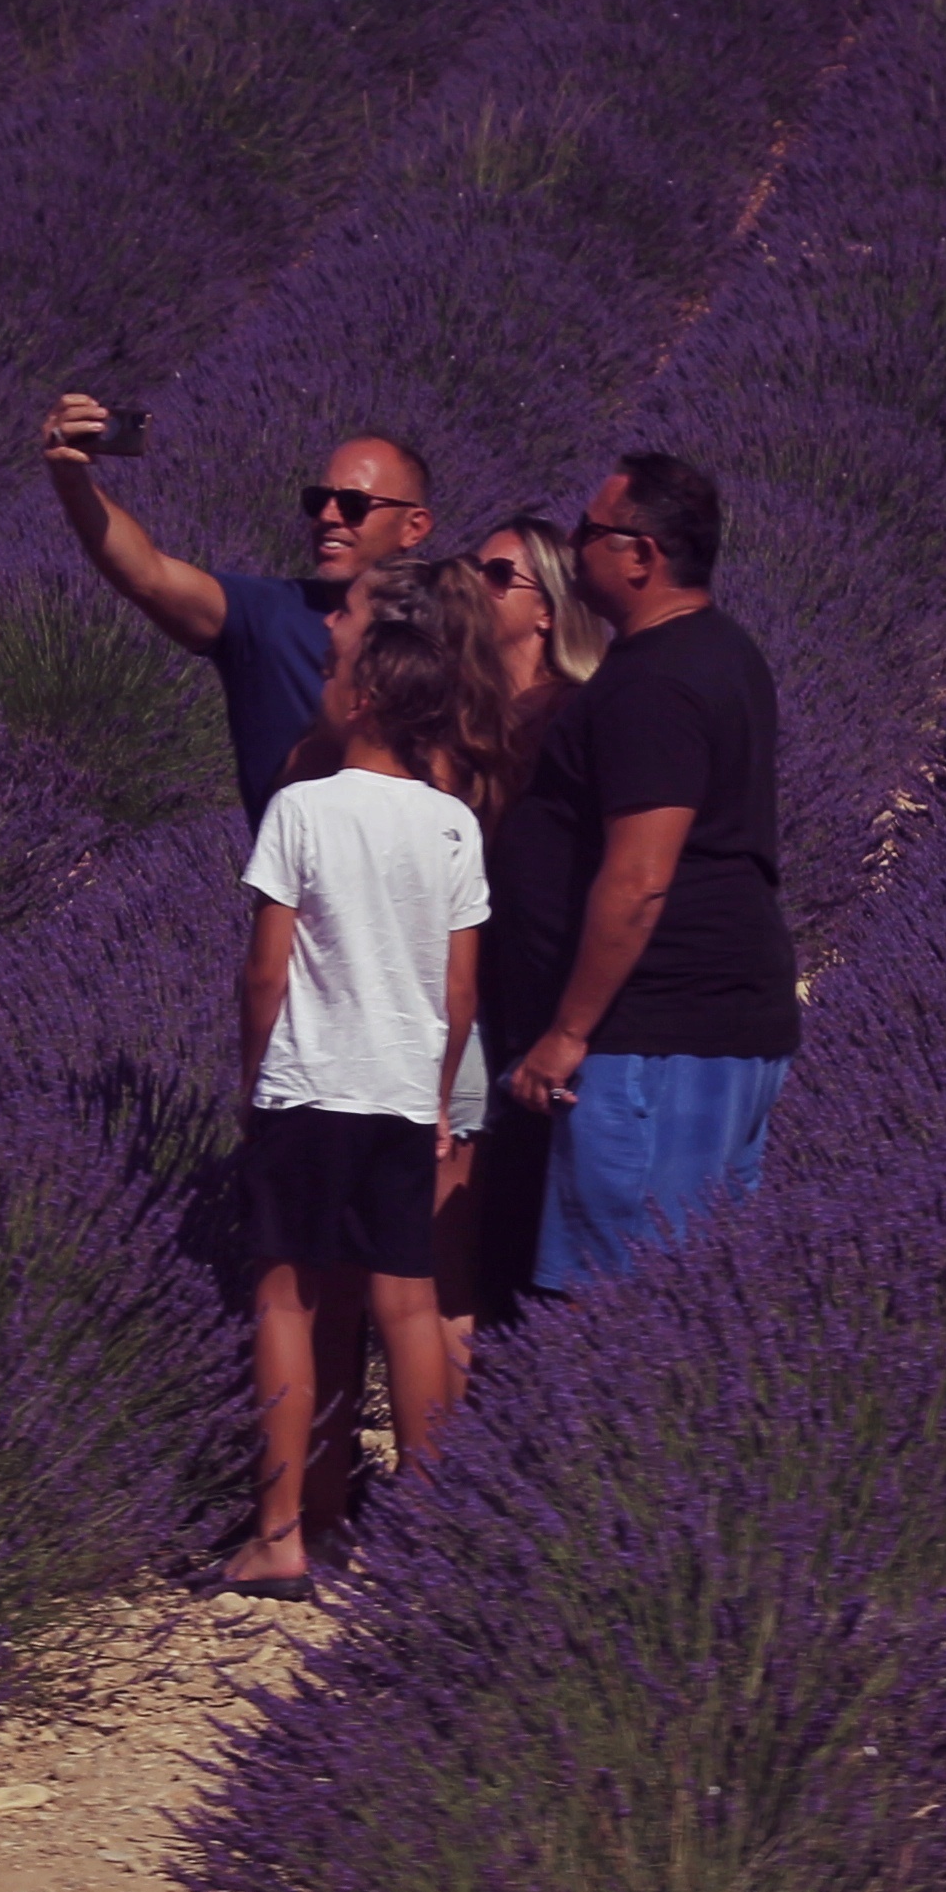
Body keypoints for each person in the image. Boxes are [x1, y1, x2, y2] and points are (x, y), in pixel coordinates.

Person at [219, 561, 512, 1596]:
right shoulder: (454, 826)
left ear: (369, 697)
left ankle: (281, 1532)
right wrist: (435, 1092)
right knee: (409, 1302)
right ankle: (428, 1535)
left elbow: (265, 971)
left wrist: (255, 1079)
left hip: (308, 1089)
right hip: (401, 1095)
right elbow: (463, 988)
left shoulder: (301, 809)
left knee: (288, 1300)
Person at [496, 453, 794, 1294]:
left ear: (642, 555)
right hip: (708, 1029)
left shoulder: (656, 682)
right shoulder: (720, 651)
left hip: (656, 1039)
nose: (576, 546)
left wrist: (568, 1033)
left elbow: (639, 879)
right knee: (684, 1299)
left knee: (619, 1301)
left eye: (591, 532)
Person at [40, 392, 433, 818]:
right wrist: (70, 479)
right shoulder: (269, 615)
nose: (329, 516)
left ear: (414, 527)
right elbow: (147, 576)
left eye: (354, 505)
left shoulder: (454, 632)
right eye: (317, 501)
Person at [453, 512, 609, 1334]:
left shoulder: (570, 714)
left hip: (545, 1004)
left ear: (547, 607)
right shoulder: (471, 720)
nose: (476, 589)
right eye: (472, 572)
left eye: (498, 575)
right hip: (484, 996)